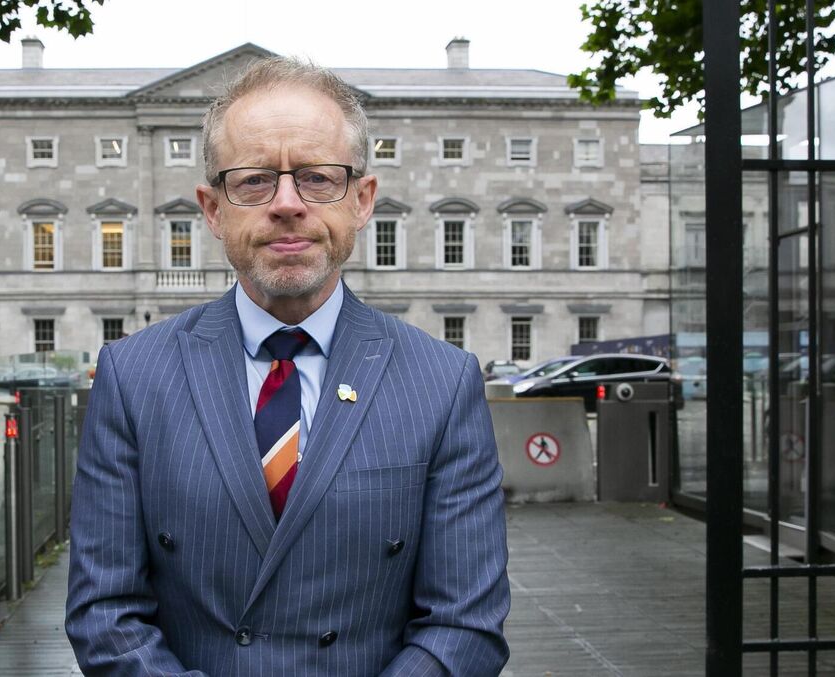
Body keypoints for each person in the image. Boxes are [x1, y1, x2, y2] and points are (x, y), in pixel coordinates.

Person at [66, 56, 510, 676]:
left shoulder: (442, 380)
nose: (286, 204)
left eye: (316, 178)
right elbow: (106, 612)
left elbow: (464, 625)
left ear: (362, 200)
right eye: (252, 181)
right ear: (213, 209)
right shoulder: (132, 375)